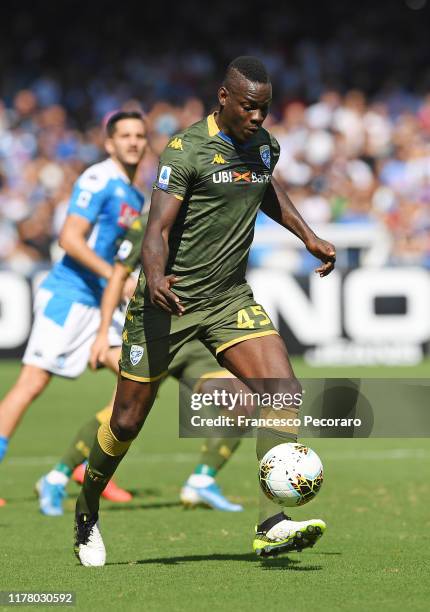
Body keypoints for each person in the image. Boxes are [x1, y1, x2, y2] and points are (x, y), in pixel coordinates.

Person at [74, 56, 336, 567]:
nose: (258, 117)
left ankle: (271, 523)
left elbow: (265, 187)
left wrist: (309, 236)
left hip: (228, 299)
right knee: (126, 421)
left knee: (283, 392)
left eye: (264, 108)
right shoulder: (185, 149)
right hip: (166, 301)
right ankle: (86, 512)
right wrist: (153, 276)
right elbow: (157, 231)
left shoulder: (264, 146)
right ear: (224, 98)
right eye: (248, 107)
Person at [38, 213, 243, 514]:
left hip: (194, 338)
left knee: (241, 401)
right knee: (123, 413)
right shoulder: (150, 222)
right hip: (152, 334)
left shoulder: (213, 216)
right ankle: (56, 477)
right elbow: (118, 276)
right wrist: (102, 332)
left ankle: (202, 481)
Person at [0, 111, 147, 511]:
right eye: (125, 136)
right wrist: (118, 280)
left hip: (101, 302)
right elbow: (69, 238)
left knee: (138, 381)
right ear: (109, 143)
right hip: (69, 296)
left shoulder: (135, 196)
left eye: (140, 135)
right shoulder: (99, 179)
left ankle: (85, 463)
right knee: (31, 384)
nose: (134, 142)